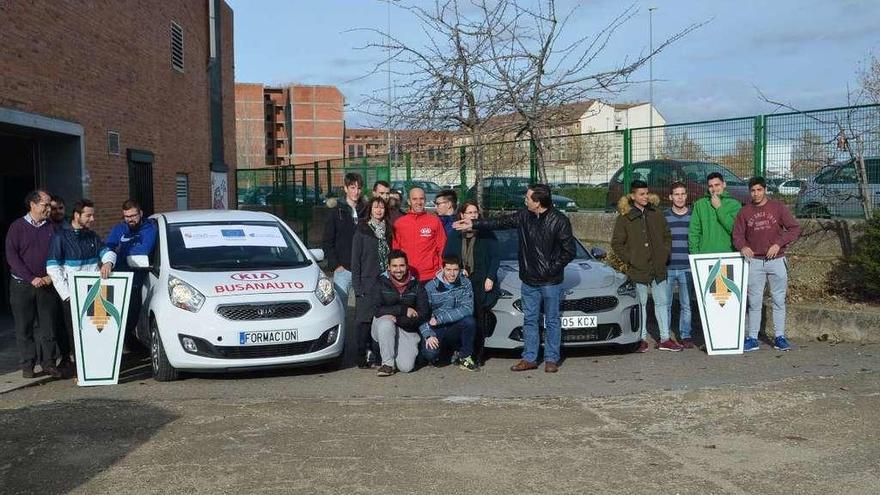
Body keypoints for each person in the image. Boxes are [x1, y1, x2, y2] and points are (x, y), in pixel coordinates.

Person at [453, 183, 575, 373]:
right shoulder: (524, 216)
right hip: (529, 280)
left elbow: (569, 251)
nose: (524, 200)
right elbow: (499, 222)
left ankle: (551, 359)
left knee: (552, 320)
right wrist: (474, 223)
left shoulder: (559, 220)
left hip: (551, 281)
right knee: (530, 320)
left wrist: (551, 269)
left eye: (528, 197)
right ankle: (529, 358)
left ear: (538, 202)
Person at [733, 177, 801, 352]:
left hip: (776, 260)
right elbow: (737, 235)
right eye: (753, 191)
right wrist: (743, 247)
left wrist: (779, 244)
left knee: (778, 299)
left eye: (759, 190)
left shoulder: (777, 207)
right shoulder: (745, 212)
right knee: (754, 301)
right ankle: (752, 338)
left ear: (765, 190)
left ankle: (779, 337)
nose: (756, 194)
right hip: (755, 262)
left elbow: (794, 228)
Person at [46, 199, 113, 373]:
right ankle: (80, 370)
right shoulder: (61, 236)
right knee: (73, 332)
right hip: (71, 295)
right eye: (88, 215)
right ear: (77, 215)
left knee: (94, 330)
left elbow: (108, 252)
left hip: (93, 293)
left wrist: (107, 263)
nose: (92, 219)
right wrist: (67, 294)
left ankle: (96, 367)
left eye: (93, 215)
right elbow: (53, 267)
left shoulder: (92, 236)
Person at [612, 180, 677, 352]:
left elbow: (666, 235)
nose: (645, 197)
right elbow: (617, 243)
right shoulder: (625, 217)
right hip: (638, 269)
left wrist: (665, 254)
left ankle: (664, 338)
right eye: (641, 194)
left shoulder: (656, 213)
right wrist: (632, 259)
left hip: (658, 267)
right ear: (633, 196)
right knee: (640, 304)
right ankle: (640, 338)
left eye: (647, 193)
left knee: (662, 302)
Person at [5, 190, 62, 378]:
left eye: (49, 205)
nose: (49, 208)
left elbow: (59, 254)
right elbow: (12, 257)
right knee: (24, 326)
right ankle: (28, 364)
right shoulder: (17, 227)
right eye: (45, 205)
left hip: (47, 284)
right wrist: (31, 278)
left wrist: (49, 277)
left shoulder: (52, 228)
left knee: (48, 325)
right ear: (33, 205)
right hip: (23, 285)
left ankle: (49, 363)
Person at [444, 200, 500, 363]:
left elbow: (495, 257)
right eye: (469, 212)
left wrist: (490, 277)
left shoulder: (486, 232)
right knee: (463, 318)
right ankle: (461, 350)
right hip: (461, 281)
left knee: (479, 317)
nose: (473, 215)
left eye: (475, 212)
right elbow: (448, 255)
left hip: (480, 281)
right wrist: (458, 268)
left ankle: (477, 354)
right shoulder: (455, 233)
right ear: (462, 214)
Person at [100, 199, 158, 348]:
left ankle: (122, 345)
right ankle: (115, 347)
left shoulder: (149, 229)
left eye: (133, 215)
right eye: (127, 216)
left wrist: (119, 252)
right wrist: (108, 260)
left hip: (135, 283)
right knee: (111, 317)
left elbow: (143, 251)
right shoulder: (119, 228)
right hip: (115, 279)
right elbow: (108, 247)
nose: (130, 219)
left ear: (141, 213)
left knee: (130, 318)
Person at [369, 249, 431, 377]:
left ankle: (397, 350)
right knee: (386, 323)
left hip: (405, 327)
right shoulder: (380, 282)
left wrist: (399, 319)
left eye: (402, 265)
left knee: (406, 367)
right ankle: (387, 364)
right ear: (389, 267)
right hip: (382, 324)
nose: (398, 269)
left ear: (407, 266)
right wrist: (403, 310)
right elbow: (376, 309)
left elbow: (423, 313)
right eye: (394, 266)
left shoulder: (416, 285)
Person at [350, 196, 393, 368]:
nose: (379, 210)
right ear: (370, 210)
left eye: (382, 207)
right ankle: (362, 356)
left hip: (384, 281)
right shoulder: (362, 230)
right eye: (376, 207)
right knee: (364, 321)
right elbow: (356, 260)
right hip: (366, 282)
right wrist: (358, 286)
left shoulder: (389, 229)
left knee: (381, 319)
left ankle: (380, 355)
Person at [420, 255, 479, 371]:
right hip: (436, 328)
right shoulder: (431, 287)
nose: (452, 274)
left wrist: (440, 318)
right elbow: (422, 315)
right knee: (430, 354)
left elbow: (468, 309)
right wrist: (428, 335)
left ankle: (465, 356)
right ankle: (445, 353)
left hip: (454, 326)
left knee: (470, 321)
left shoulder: (465, 283)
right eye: (448, 270)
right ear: (442, 269)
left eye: (455, 270)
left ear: (460, 270)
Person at [322, 172, 367, 303]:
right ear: (345, 188)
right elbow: (327, 241)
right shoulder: (336, 211)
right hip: (343, 269)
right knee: (340, 307)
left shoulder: (366, 210)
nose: (356, 191)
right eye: (352, 187)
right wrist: (336, 265)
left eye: (359, 188)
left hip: (363, 269)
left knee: (364, 309)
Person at [393, 187, 446, 283]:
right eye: (415, 199)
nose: (418, 202)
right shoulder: (399, 223)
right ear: (409, 201)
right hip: (408, 277)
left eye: (421, 198)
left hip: (431, 276)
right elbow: (396, 250)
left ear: (425, 200)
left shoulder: (434, 221)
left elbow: (442, 246)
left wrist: (441, 269)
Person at [665, 182, 695, 348]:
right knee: (666, 304)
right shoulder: (664, 217)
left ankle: (686, 335)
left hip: (687, 267)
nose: (680, 197)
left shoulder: (693, 216)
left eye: (683, 194)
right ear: (670, 197)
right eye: (676, 194)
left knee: (686, 303)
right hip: (668, 267)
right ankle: (666, 335)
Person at [689, 171, 742, 254]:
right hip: (705, 255)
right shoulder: (700, 205)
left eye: (717, 185)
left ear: (724, 184)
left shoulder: (734, 205)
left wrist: (719, 208)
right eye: (710, 186)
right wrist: (694, 254)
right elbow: (694, 232)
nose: (714, 189)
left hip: (728, 254)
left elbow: (735, 230)